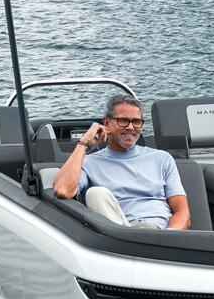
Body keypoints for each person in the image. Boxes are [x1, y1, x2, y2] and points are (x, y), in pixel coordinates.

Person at [51, 93, 191, 230]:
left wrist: (170, 235)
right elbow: (63, 190)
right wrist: (84, 143)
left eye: (136, 122)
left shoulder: (162, 158)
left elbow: (182, 212)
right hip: (120, 236)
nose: (130, 127)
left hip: (164, 234)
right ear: (106, 123)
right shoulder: (89, 163)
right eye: (123, 121)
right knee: (96, 193)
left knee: (150, 228)